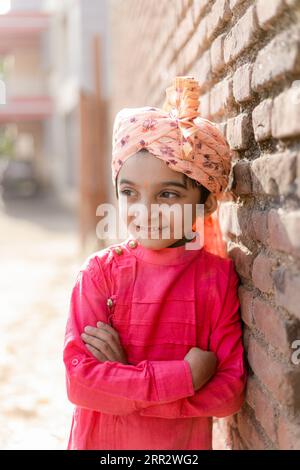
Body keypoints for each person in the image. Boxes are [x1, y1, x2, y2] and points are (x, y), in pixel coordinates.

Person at [63, 76, 248, 450]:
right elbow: (81, 383)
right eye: (129, 192)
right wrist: (185, 376)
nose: (145, 211)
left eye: (167, 194)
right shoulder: (100, 275)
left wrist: (124, 381)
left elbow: (229, 393)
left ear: (206, 203)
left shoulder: (215, 279)